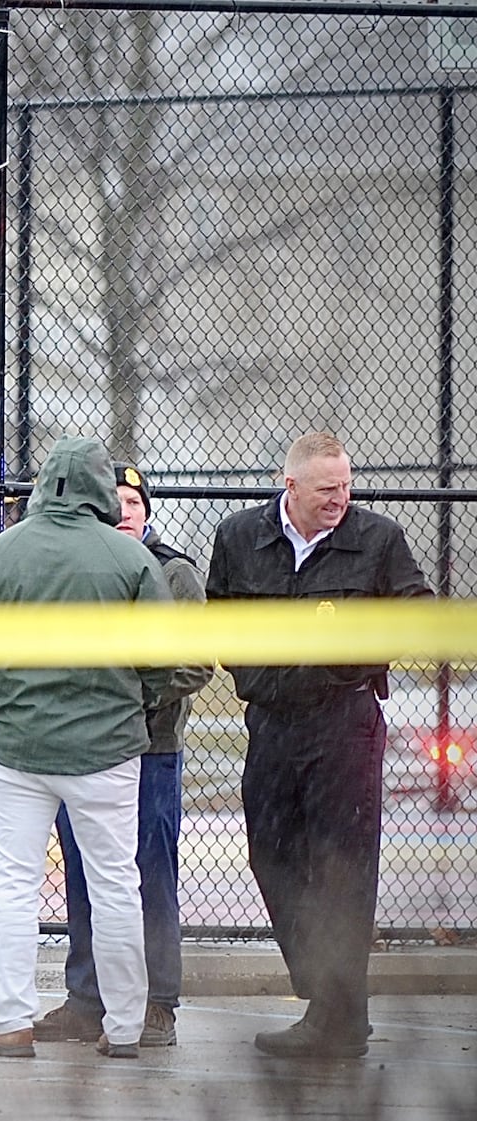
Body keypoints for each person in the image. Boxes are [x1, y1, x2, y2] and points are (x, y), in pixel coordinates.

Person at [0, 435, 176, 1061]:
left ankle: (11, 1021)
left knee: (14, 886)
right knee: (116, 885)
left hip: (20, 745)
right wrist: (136, 701)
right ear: (102, 490)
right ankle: (125, 1026)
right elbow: (167, 656)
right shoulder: (130, 559)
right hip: (109, 748)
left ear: (43, 486)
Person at [206, 431, 432, 1059]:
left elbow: (416, 609)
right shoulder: (239, 537)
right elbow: (217, 610)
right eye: (328, 489)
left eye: (347, 486)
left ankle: (337, 1019)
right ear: (292, 487)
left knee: (344, 868)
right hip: (272, 720)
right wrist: (247, 670)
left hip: (344, 721)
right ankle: (326, 991)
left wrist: (351, 662)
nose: (341, 499)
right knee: (270, 853)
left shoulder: (377, 538)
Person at [36, 463, 213, 1049]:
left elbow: (194, 662)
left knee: (148, 875)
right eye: (114, 499)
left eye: (135, 500)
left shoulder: (171, 572)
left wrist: (128, 702)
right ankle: (87, 999)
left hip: (148, 750)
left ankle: (156, 1001)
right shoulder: (78, 569)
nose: (125, 509)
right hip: (80, 751)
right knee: (85, 876)